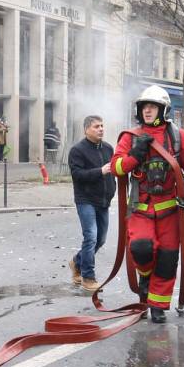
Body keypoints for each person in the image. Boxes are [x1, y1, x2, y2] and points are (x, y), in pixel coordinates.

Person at [111, 85, 184, 323]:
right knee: (141, 250)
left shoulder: (177, 136)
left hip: (170, 211)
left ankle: (158, 306)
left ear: (163, 109)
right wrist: (136, 155)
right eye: (144, 107)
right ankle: (145, 278)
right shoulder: (130, 138)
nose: (147, 111)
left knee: (168, 259)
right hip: (140, 211)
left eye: (152, 107)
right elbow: (117, 167)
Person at [68, 116, 116, 292]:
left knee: (101, 239)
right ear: (86, 129)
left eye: (102, 126)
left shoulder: (109, 148)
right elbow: (77, 175)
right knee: (91, 237)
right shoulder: (77, 150)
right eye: (97, 126)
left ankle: (76, 262)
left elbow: (114, 170)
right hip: (85, 200)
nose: (101, 129)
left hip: (103, 200)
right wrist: (100, 171)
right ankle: (88, 278)